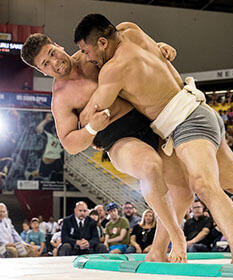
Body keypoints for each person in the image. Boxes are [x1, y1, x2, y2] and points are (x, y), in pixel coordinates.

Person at [74, 13, 233, 263]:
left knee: (203, 185)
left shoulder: (113, 69)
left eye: (86, 51)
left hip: (186, 122)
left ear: (103, 43)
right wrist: (162, 47)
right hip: (199, 111)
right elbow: (156, 56)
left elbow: (92, 113)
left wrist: (75, 109)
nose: (87, 58)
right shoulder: (131, 30)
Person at [21, 32, 194, 263]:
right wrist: (92, 128)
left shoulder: (91, 55)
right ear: (41, 71)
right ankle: (177, 236)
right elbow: (70, 143)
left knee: (184, 192)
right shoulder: (61, 99)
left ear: (57, 44)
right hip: (118, 139)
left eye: (52, 53)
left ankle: (158, 250)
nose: (55, 62)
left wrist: (157, 48)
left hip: (148, 121)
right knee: (150, 166)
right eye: (46, 63)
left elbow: (126, 43)